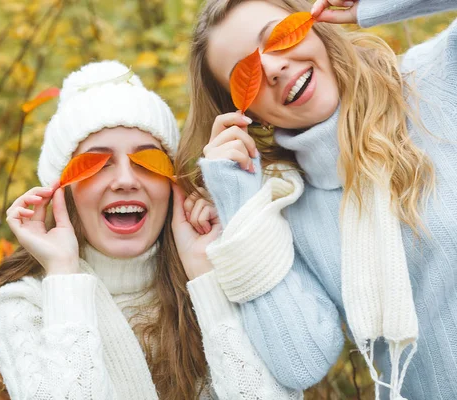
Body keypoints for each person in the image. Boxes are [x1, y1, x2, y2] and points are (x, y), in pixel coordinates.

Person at [0, 60, 301, 400]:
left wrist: (206, 277)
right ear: (62, 190)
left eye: (147, 161)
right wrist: (64, 276)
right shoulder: (26, 302)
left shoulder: (222, 275)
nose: (126, 180)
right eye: (97, 163)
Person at [176, 0, 457, 399]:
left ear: (314, 27)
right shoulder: (286, 209)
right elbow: (301, 361)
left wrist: (374, 6)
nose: (272, 68)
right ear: (247, 113)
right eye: (247, 75)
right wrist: (238, 204)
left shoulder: (437, 81)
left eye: (278, 36)